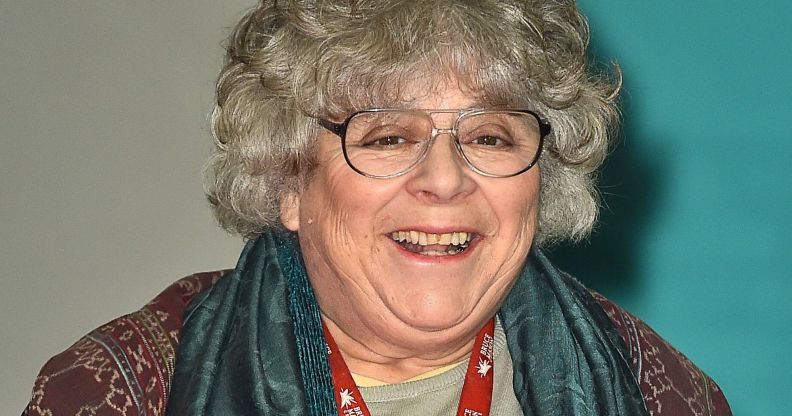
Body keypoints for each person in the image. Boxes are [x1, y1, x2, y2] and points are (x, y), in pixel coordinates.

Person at [25, 1, 732, 415]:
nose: (445, 180)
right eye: (388, 136)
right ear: (289, 181)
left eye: (489, 136)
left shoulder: (665, 396)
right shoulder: (119, 390)